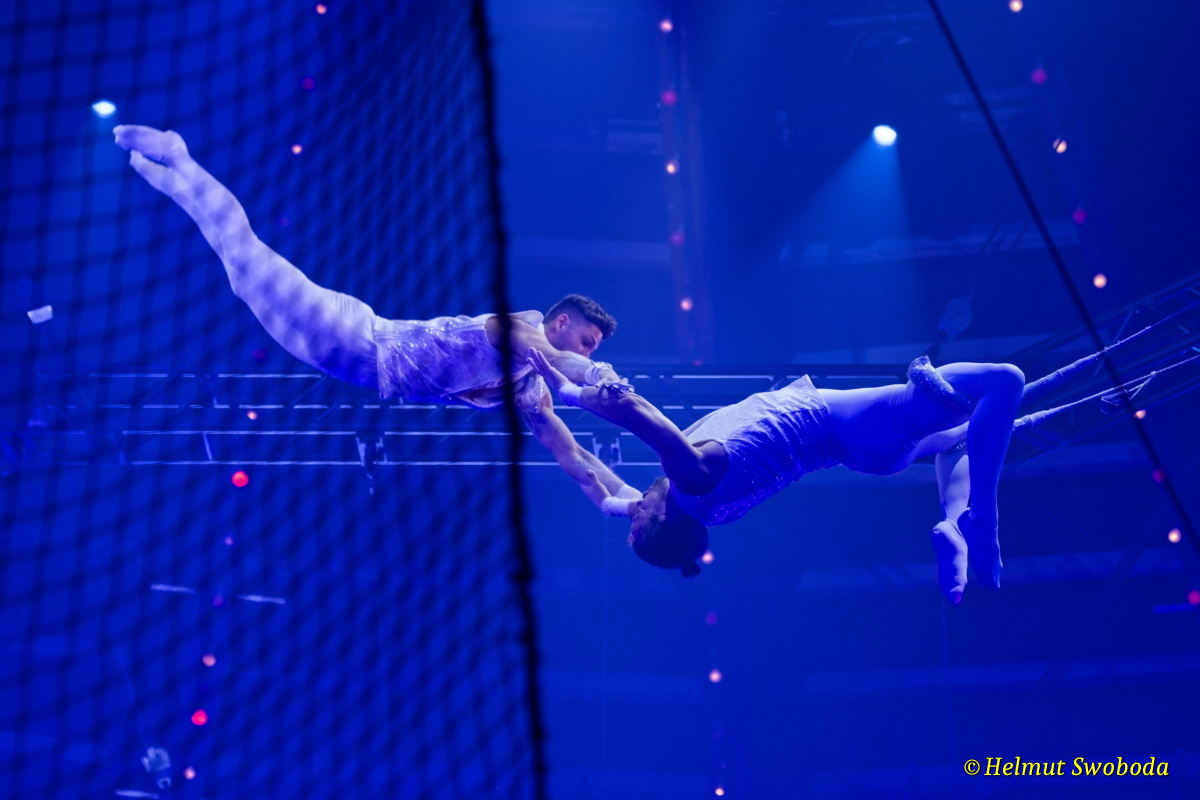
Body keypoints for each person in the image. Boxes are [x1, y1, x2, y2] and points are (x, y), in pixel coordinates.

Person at [113, 124, 641, 510]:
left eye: (593, 349)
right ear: (561, 323)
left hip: (337, 361)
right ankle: (179, 156)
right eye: (588, 340)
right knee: (246, 252)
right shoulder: (517, 331)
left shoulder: (529, 389)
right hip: (357, 334)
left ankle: (174, 182)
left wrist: (623, 502)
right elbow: (561, 362)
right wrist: (602, 376)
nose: (587, 350)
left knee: (238, 276)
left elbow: (574, 458)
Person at [528, 349, 1025, 603]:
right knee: (1004, 382)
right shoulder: (690, 477)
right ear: (661, 520)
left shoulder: (699, 507)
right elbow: (634, 409)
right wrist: (568, 388)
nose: (634, 505)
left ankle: (954, 522)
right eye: (638, 518)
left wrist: (541, 414)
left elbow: (593, 479)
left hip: (864, 452)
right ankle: (985, 517)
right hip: (860, 426)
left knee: (963, 438)